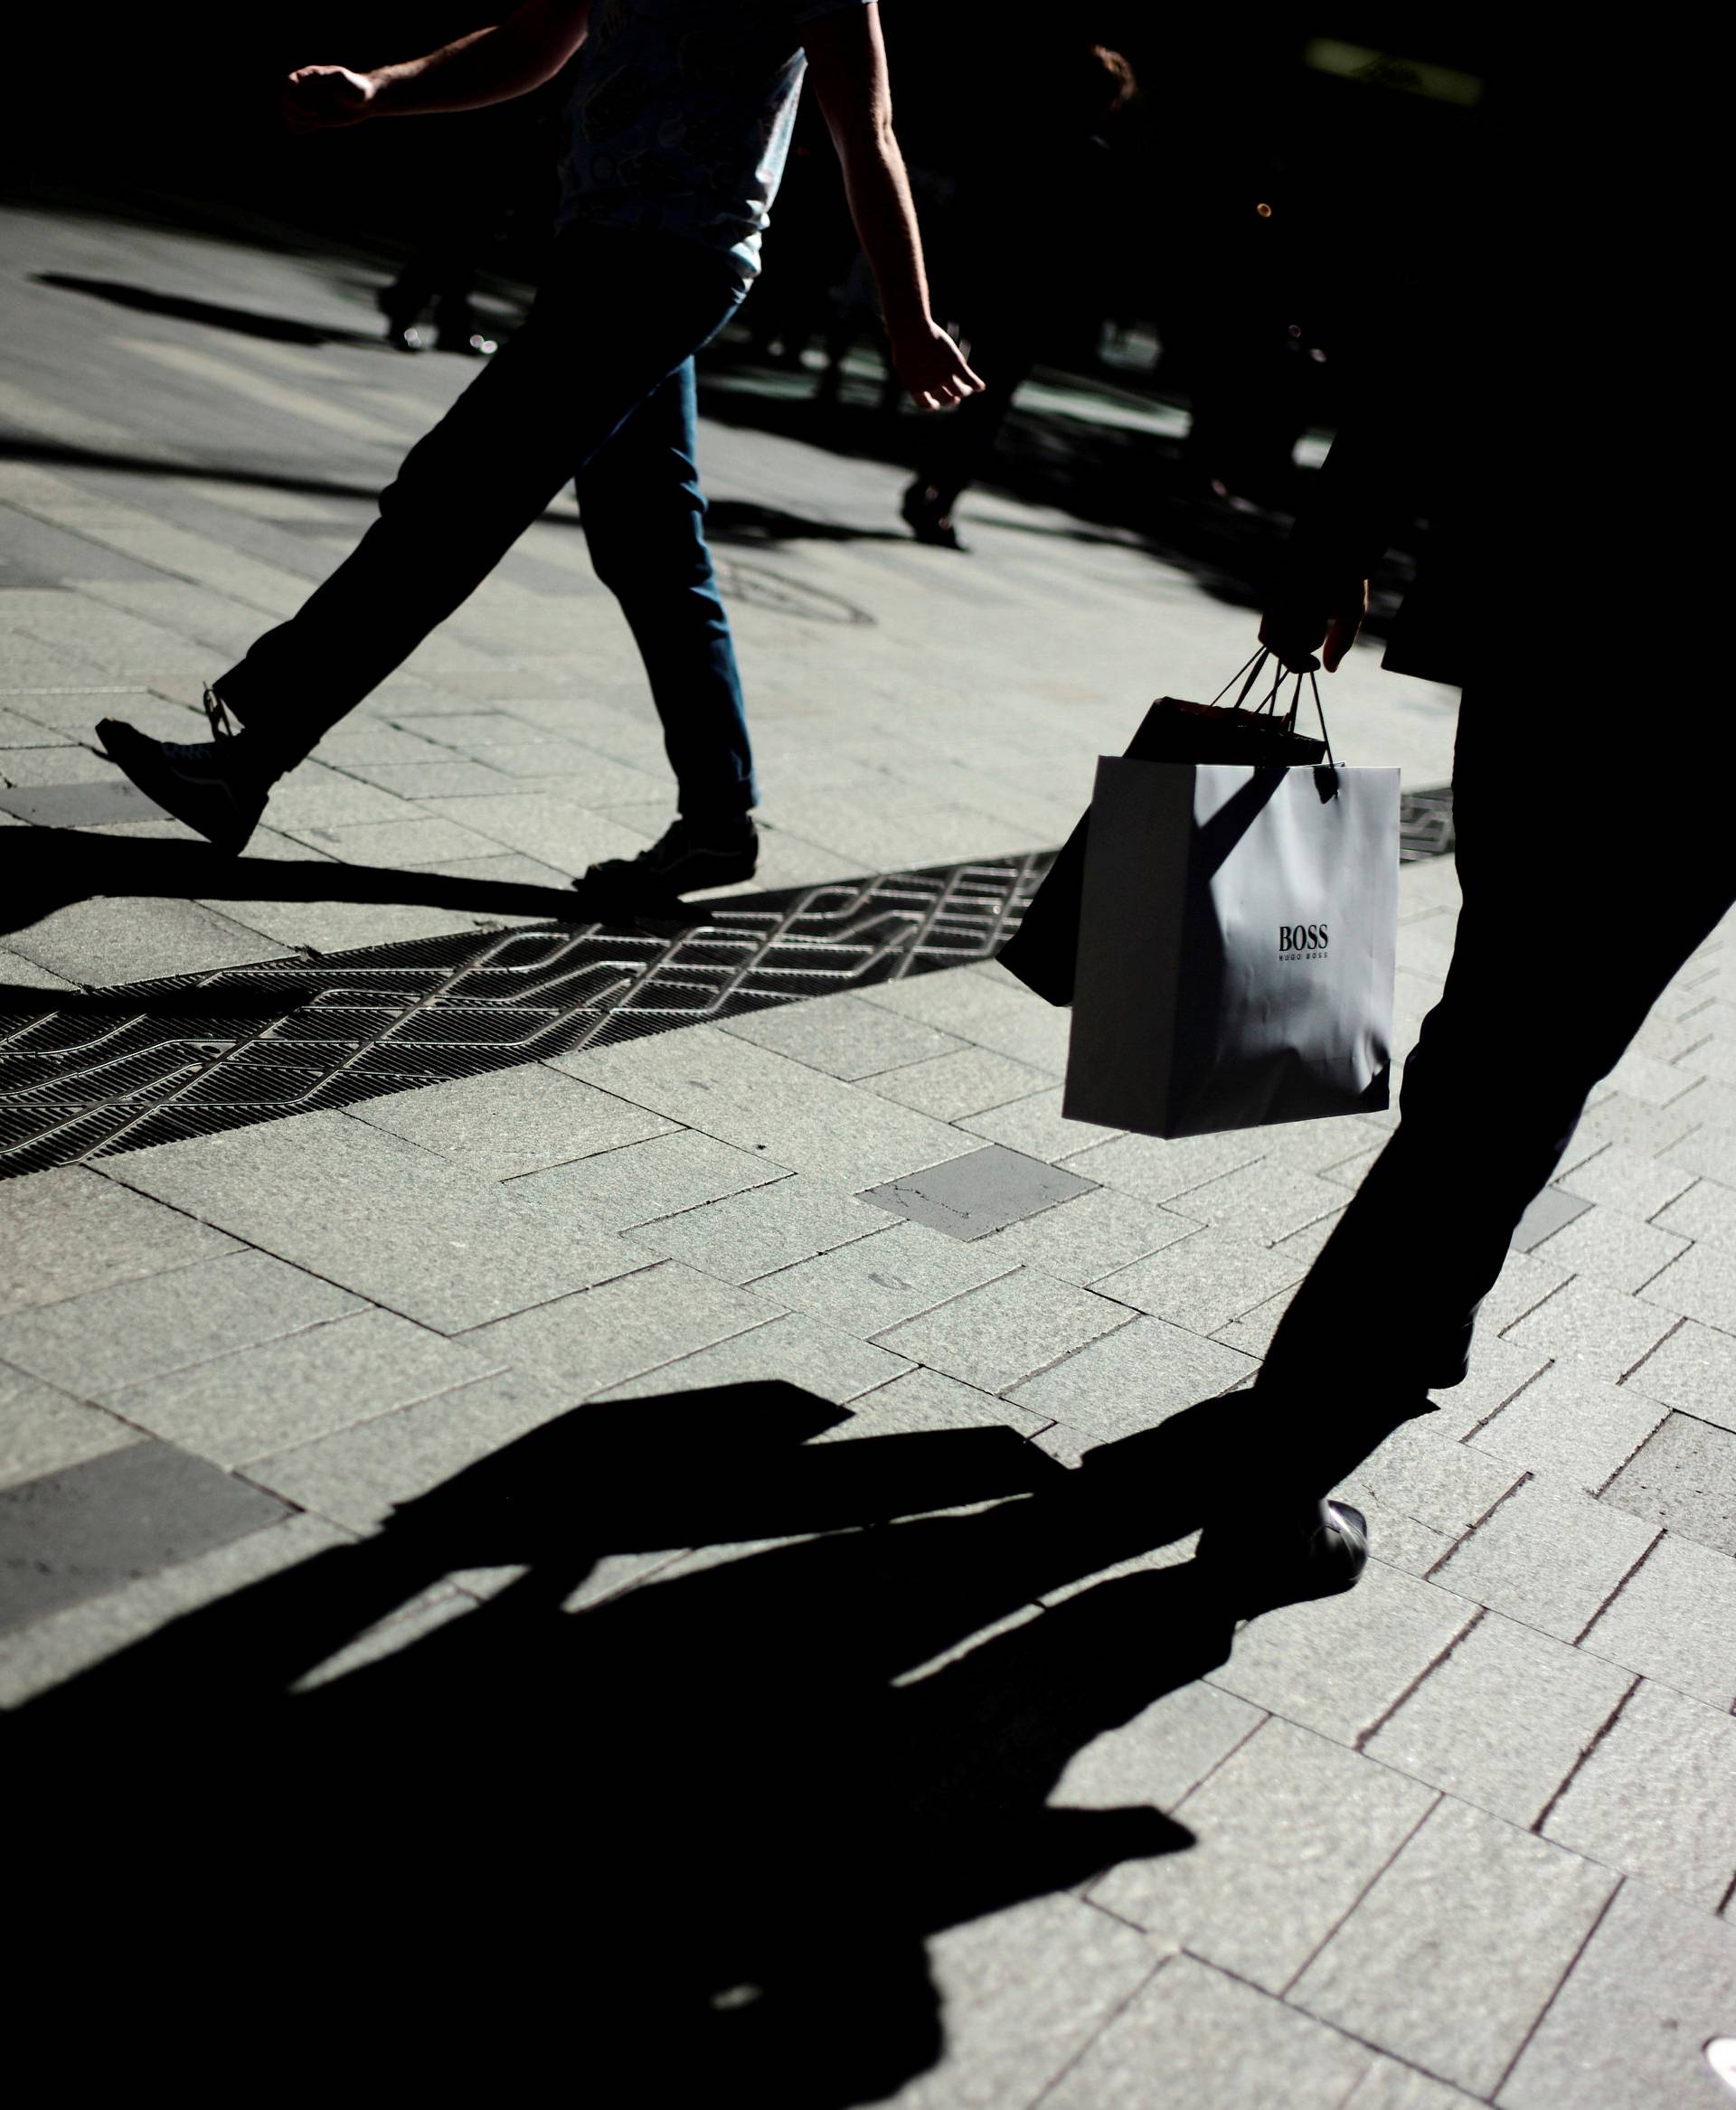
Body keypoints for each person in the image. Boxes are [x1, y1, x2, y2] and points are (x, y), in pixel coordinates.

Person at [1206, 71, 1735, 1605]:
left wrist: (1333, 537)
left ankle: (1365, 1353)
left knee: (1503, 1026)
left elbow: (1458, 306)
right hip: (1706, 680)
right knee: (1523, 1055)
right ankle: (1300, 1440)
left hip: (1555, 612)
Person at [97, 0, 980, 902]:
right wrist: (380, 91)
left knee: (455, 494)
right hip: (601, 250)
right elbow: (530, 43)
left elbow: (866, 134)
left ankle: (251, 758)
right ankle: (718, 821)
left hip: (673, 262)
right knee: (652, 547)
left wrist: (906, 319)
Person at [899, 42, 1135, 551]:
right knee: (989, 402)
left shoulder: (1015, 138)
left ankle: (932, 485)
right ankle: (938, 497)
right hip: (1029, 297)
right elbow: (1085, 245)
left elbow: (971, 206)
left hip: (987, 282)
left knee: (972, 393)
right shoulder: (1087, 156)